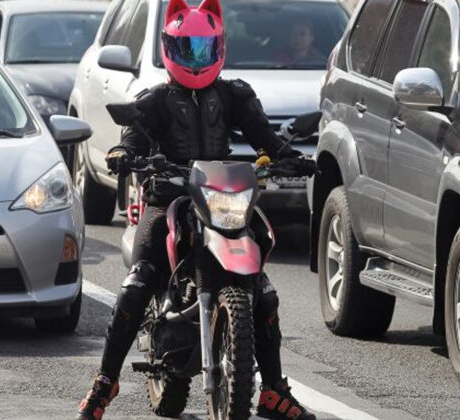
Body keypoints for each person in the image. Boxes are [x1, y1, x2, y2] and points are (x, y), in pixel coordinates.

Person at [75, 0, 317, 419]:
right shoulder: (154, 99)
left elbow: (265, 137)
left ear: (219, 47)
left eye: (204, 49)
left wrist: (289, 156)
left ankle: (273, 390)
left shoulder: (235, 94)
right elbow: (132, 135)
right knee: (137, 283)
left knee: (263, 291)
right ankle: (104, 381)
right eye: (187, 49)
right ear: (169, 48)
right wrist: (122, 153)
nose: (196, 58)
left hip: (220, 194)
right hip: (168, 199)